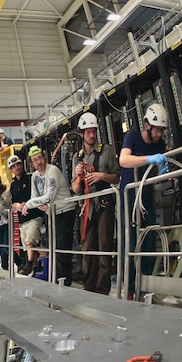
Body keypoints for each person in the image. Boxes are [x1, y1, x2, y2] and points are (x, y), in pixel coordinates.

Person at [118, 103, 168, 296]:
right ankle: (129, 290)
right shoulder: (132, 137)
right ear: (147, 125)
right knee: (130, 245)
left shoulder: (159, 144)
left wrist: (163, 170)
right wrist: (148, 159)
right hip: (128, 200)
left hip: (146, 199)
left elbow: (158, 167)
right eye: (158, 130)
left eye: (163, 131)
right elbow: (124, 160)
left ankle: (146, 288)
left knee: (148, 243)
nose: (160, 134)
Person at [71, 113, 120, 295]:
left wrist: (101, 176)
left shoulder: (106, 151)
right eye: (89, 132)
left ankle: (102, 290)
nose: (92, 135)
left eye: (94, 132)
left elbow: (117, 177)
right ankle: (89, 288)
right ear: (82, 134)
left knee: (104, 249)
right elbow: (75, 189)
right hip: (87, 209)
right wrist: (77, 175)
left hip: (104, 205)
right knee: (87, 250)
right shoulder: (78, 157)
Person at [25, 145, 74, 285]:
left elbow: (48, 197)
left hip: (64, 211)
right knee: (52, 248)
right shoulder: (34, 176)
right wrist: (36, 202)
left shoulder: (53, 171)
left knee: (61, 248)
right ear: (31, 163)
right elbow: (35, 196)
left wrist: (29, 204)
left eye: (40, 158)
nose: (39, 161)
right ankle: (57, 279)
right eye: (35, 160)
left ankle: (64, 282)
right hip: (50, 213)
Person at [9, 154, 41, 275]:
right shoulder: (13, 185)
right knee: (28, 245)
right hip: (22, 220)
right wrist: (17, 205)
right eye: (13, 166)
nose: (16, 168)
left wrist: (27, 203)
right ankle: (34, 268)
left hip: (34, 216)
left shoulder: (31, 178)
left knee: (29, 241)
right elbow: (12, 202)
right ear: (11, 170)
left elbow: (37, 195)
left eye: (18, 165)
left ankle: (28, 265)